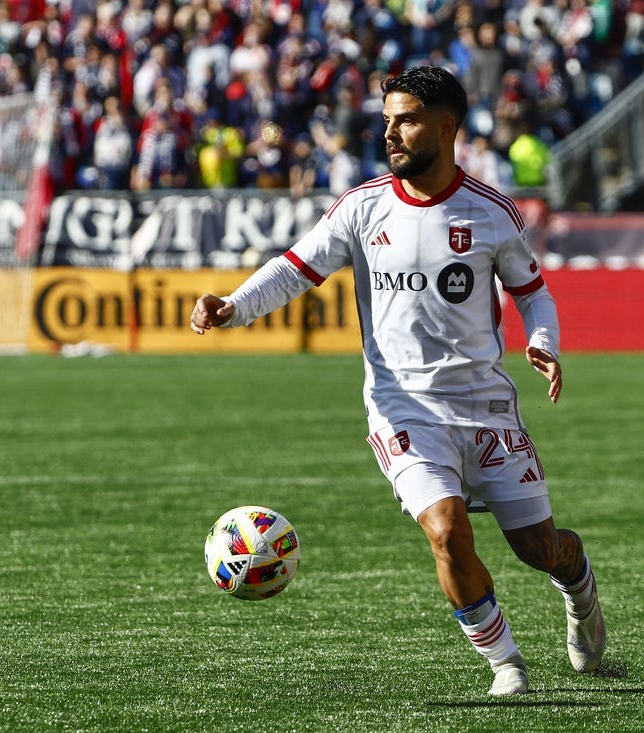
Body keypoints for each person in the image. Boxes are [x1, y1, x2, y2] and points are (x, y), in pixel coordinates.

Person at [189, 65, 605, 696]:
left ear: (447, 126)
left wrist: (542, 343)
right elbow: (295, 268)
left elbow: (533, 294)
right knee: (445, 529)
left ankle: (578, 588)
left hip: (487, 407)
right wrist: (234, 304)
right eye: (387, 120)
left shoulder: (492, 213)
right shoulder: (362, 208)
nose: (391, 133)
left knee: (539, 549)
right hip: (402, 410)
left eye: (406, 120)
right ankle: (506, 665)